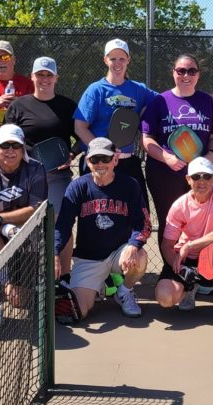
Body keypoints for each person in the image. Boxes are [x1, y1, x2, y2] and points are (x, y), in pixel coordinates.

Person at [141, 54, 213, 275]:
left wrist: (210, 157)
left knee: (203, 222)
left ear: (198, 74)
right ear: (173, 73)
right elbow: (147, 139)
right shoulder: (160, 101)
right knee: (170, 222)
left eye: (191, 71)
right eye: (181, 71)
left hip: (199, 175)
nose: (186, 75)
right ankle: (173, 271)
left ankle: (204, 273)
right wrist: (166, 158)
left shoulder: (208, 102)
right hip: (164, 173)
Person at [54, 137, 151, 322]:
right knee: (76, 312)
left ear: (115, 159)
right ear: (87, 161)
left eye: (105, 159)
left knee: (141, 256)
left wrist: (133, 244)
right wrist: (55, 251)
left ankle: (124, 291)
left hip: (119, 253)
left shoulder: (130, 185)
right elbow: (63, 225)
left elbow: (144, 223)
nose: (100, 164)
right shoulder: (78, 187)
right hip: (89, 258)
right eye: (95, 159)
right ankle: (98, 286)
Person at [0, 124, 47, 323]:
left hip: (27, 233)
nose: (10, 151)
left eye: (16, 145)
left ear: (23, 149)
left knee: (19, 301)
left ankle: (6, 277)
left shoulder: (36, 168)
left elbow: (36, 209)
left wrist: (1, 219)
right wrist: (4, 228)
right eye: (5, 146)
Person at [156, 156, 213, 330]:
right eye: (196, 176)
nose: (202, 181)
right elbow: (166, 246)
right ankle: (189, 288)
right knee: (165, 298)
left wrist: (190, 245)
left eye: (206, 176)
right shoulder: (179, 205)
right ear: (188, 179)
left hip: (212, 257)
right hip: (187, 261)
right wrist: (182, 269)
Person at [73, 38, 158, 190]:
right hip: (99, 163)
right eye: (113, 59)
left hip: (127, 162)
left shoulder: (139, 89)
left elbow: (165, 101)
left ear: (128, 60)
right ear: (105, 60)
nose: (117, 63)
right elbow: (80, 127)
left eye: (122, 59)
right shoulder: (95, 90)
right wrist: (103, 149)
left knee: (139, 211)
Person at [4, 56, 76, 218]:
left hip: (56, 176)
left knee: (57, 222)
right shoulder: (18, 106)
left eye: (49, 75)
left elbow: (81, 137)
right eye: (40, 74)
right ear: (32, 76)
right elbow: (6, 140)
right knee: (24, 224)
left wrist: (71, 154)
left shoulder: (67, 106)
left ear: (56, 78)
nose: (44, 79)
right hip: (23, 174)